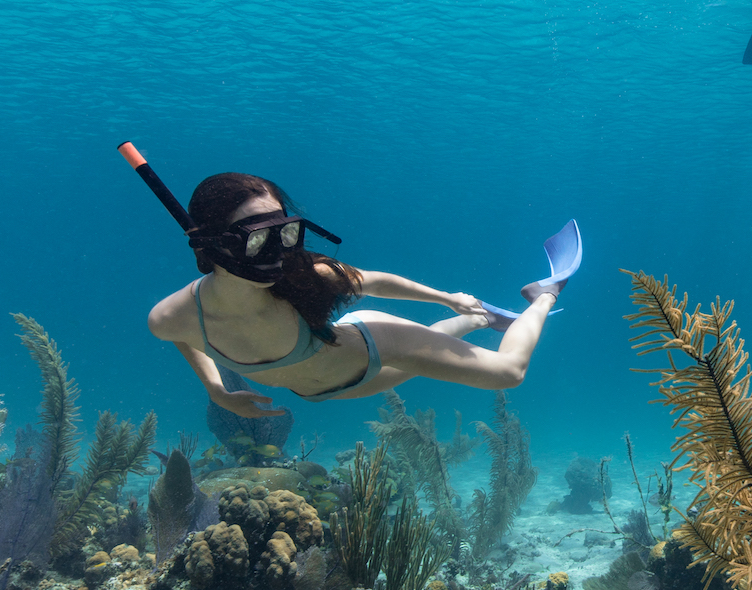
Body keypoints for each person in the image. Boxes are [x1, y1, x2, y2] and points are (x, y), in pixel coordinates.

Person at [147, 172, 563, 420]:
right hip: (337, 388)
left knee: (507, 373)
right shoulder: (170, 317)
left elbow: (374, 282)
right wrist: (216, 391)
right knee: (434, 345)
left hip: (376, 344)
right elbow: (185, 335)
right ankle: (478, 318)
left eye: (286, 233)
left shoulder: (305, 275)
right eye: (258, 239)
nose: (278, 252)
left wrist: (445, 297)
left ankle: (543, 295)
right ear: (214, 245)